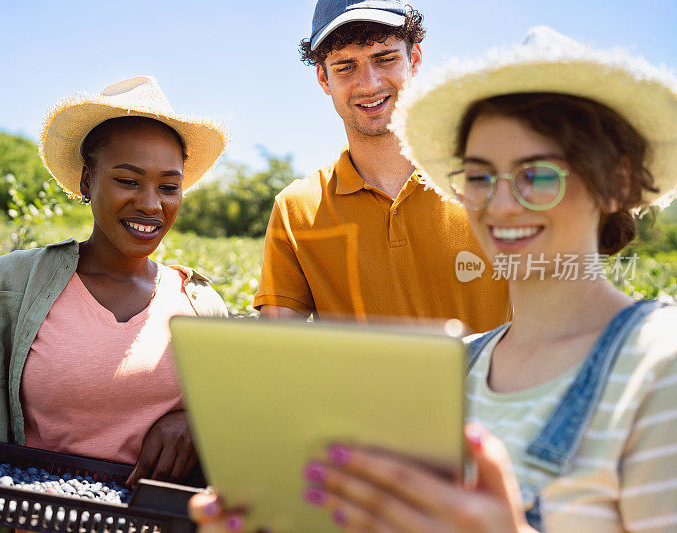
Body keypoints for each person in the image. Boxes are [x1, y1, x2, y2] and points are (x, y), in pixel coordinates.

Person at [189, 27, 677, 532]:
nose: (503, 205)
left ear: (617, 181)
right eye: (480, 176)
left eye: (539, 175)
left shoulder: (659, 364)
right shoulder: (462, 366)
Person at [0, 76, 229, 532]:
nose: (151, 204)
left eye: (169, 187)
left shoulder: (201, 305)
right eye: (128, 180)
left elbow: (237, 434)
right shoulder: (7, 287)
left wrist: (199, 422)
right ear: (87, 181)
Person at [254, 0, 509, 331]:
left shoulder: (495, 183)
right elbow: (275, 351)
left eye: (385, 59)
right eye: (345, 66)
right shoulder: (296, 209)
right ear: (323, 78)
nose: (369, 84)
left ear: (413, 59)